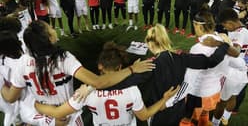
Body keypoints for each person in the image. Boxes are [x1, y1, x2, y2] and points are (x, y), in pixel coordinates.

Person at [1, 20, 154, 125]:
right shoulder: (63, 58)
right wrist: (132, 69)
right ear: (48, 38)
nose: (53, 29)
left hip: (44, 115)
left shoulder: (22, 63)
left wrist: (3, 84)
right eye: (50, 29)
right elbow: (98, 82)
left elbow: (10, 97)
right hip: (69, 115)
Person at [106, 23, 236, 126]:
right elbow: (211, 62)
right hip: (178, 109)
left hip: (159, 111)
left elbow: (122, 83)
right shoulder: (182, 57)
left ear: (150, 44)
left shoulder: (149, 66)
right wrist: (224, 46)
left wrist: (93, 86)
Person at [34, 41, 180, 125]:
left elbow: (58, 112)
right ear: (120, 67)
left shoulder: (84, 91)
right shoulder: (132, 90)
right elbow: (144, 116)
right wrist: (165, 99)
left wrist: (35, 105)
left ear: (100, 66)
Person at [180, 11, 247, 126]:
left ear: (199, 26)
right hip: (214, 92)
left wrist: (180, 95)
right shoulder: (223, 41)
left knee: (188, 120)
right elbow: (239, 63)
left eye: (194, 25)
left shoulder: (197, 48)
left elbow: (190, 77)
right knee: (204, 115)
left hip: (198, 93)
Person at [212, 8, 248, 125]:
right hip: (242, 71)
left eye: (225, 25)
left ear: (230, 22)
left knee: (221, 102)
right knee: (233, 96)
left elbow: (235, 51)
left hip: (233, 72)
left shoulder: (239, 33)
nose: (225, 28)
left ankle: (214, 123)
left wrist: (220, 42)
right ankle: (226, 117)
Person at [0, 17, 23, 126]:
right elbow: (10, 98)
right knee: (13, 114)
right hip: (12, 97)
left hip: (12, 94)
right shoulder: (16, 63)